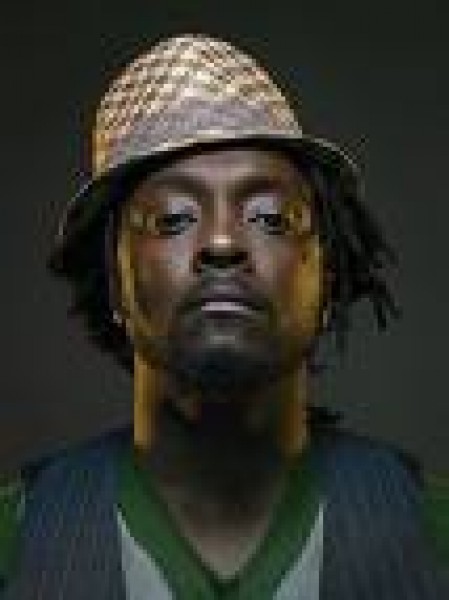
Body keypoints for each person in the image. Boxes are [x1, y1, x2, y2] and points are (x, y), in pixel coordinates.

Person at [0, 33, 448, 599]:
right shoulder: (14, 540)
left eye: (271, 217)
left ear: (328, 277)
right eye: (171, 218)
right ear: (115, 280)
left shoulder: (434, 533)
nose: (221, 241)